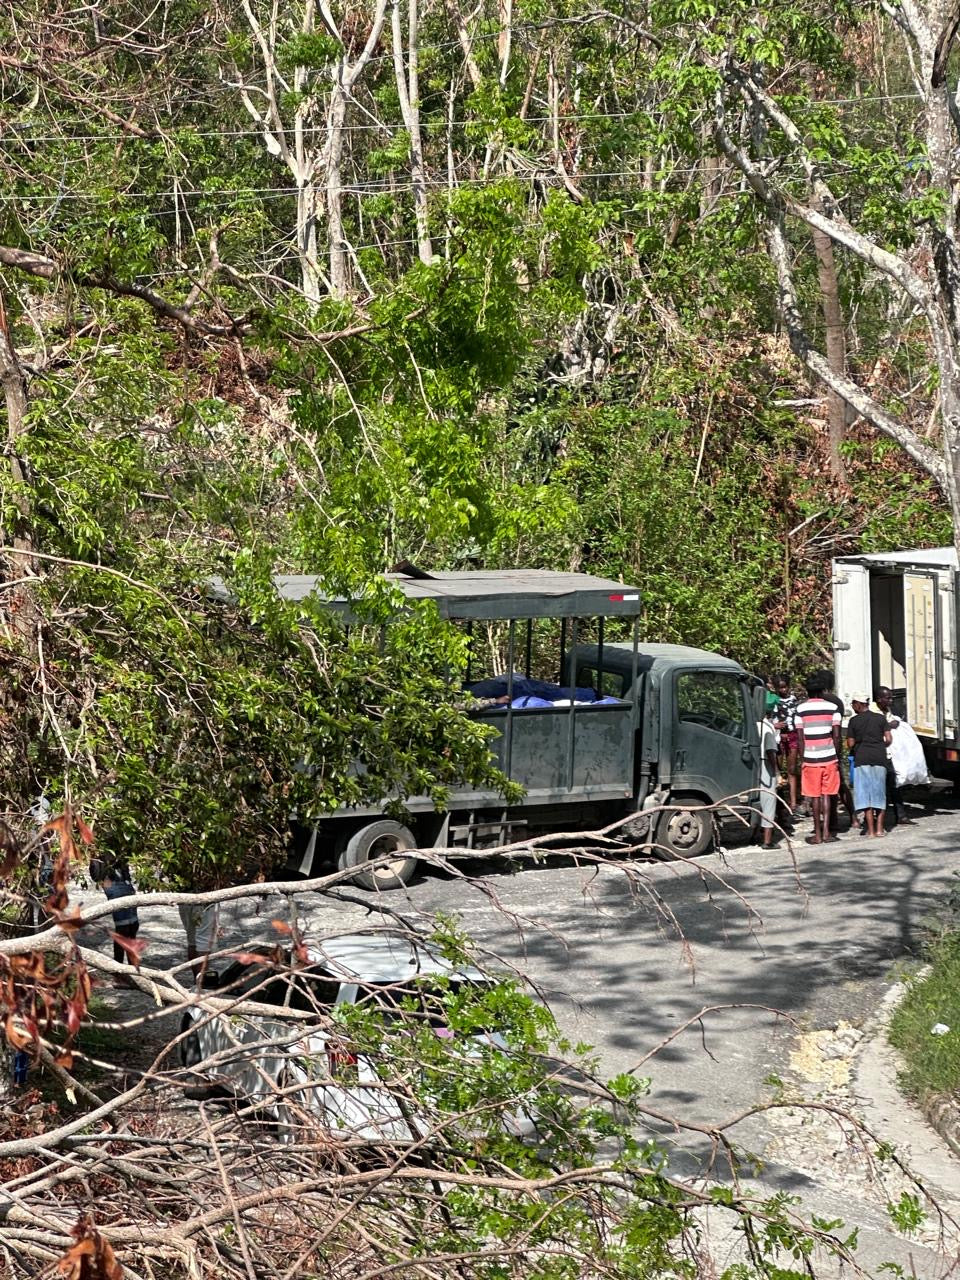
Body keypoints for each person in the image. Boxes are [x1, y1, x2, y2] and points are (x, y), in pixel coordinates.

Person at [794, 671, 842, 845]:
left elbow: (800, 738)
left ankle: (818, 834)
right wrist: (836, 755)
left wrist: (803, 758)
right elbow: (836, 736)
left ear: (807, 691)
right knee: (827, 795)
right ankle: (827, 832)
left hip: (810, 758)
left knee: (814, 796)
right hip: (829, 757)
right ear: (822, 690)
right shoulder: (833, 708)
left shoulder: (800, 710)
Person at [812, 667, 856, 829]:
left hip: (821, 747)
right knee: (840, 785)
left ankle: (831, 821)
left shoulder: (819, 701)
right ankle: (852, 817)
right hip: (835, 745)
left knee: (823, 788)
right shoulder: (837, 701)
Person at [846, 694, 892, 838]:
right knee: (879, 793)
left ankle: (870, 831)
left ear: (859, 704)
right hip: (879, 757)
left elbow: (850, 743)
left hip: (862, 758)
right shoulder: (880, 718)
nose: (852, 706)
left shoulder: (854, 721)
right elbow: (889, 739)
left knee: (865, 795)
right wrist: (879, 745)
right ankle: (880, 829)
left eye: (853, 704)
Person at [872, 686, 913, 825]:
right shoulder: (873, 712)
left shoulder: (887, 710)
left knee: (894, 785)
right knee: (879, 787)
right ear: (879, 699)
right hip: (877, 753)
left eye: (891, 698)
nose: (891, 701)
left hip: (889, 754)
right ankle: (877, 819)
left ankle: (901, 815)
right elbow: (875, 728)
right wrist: (889, 725)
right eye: (888, 698)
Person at [93, 860, 140, 980]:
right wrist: (105, 881)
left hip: (125, 883)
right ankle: (119, 974)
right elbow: (95, 874)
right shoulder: (100, 855)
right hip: (114, 884)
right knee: (123, 930)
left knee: (133, 927)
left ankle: (133, 970)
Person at [772, 673, 801, 815]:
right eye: (780, 688)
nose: (783, 690)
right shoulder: (773, 701)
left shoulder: (795, 701)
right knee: (777, 769)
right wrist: (775, 726)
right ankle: (779, 801)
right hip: (777, 737)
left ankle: (793, 802)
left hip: (792, 736)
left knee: (792, 769)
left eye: (785, 687)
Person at [179, 901, 221, 985]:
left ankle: (197, 981)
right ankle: (201, 984)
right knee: (204, 943)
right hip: (206, 902)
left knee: (192, 941)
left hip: (184, 900)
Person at [757, 711, 780, 846]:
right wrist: (776, 772)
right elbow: (770, 751)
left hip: (753, 766)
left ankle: (754, 835)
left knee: (757, 802)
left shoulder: (752, 725)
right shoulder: (767, 728)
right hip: (765, 765)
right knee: (769, 802)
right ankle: (767, 841)